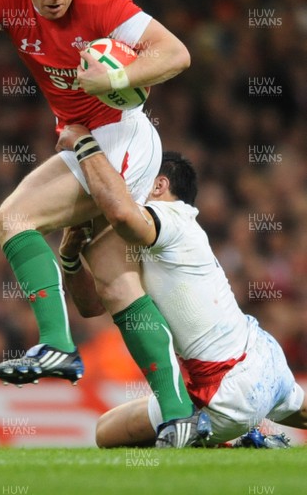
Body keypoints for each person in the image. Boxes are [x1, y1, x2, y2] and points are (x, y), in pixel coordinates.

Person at [0, 0, 206, 441]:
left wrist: (115, 79)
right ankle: (178, 412)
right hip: (82, 139)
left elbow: (176, 54)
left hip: (119, 134)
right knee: (112, 284)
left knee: (13, 217)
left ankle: (56, 344)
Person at [56, 124, 307, 447]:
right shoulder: (170, 235)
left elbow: (121, 215)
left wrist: (84, 143)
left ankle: (234, 442)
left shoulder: (169, 215)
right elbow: (91, 306)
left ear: (160, 184)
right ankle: (249, 439)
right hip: (263, 355)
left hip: (224, 389)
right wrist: (70, 258)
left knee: (106, 432)